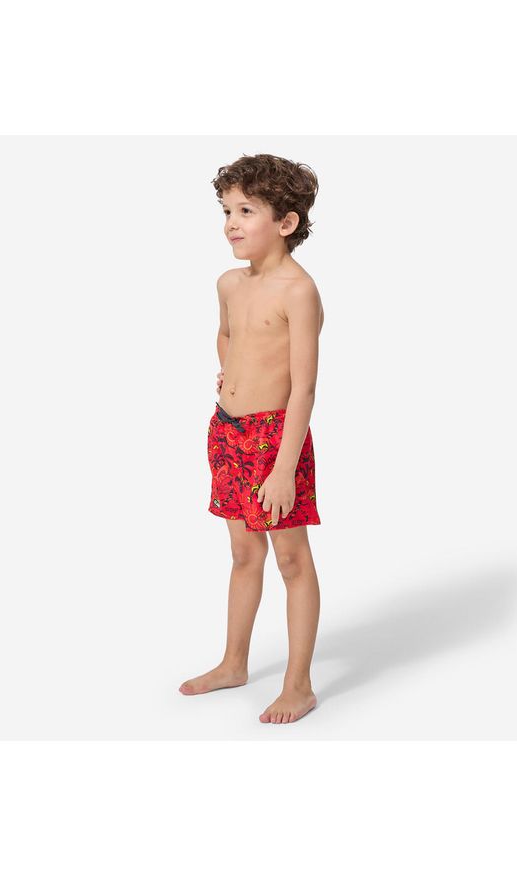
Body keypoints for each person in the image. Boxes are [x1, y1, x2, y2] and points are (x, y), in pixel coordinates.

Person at [179, 153, 324, 724]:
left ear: (285, 222)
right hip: (227, 431)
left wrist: (285, 468)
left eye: (245, 211)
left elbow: (304, 387)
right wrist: (230, 371)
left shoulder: (298, 291)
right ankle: (233, 663)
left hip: (274, 439)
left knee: (290, 558)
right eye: (226, 211)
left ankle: (299, 684)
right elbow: (226, 334)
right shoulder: (229, 283)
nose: (230, 224)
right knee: (243, 553)